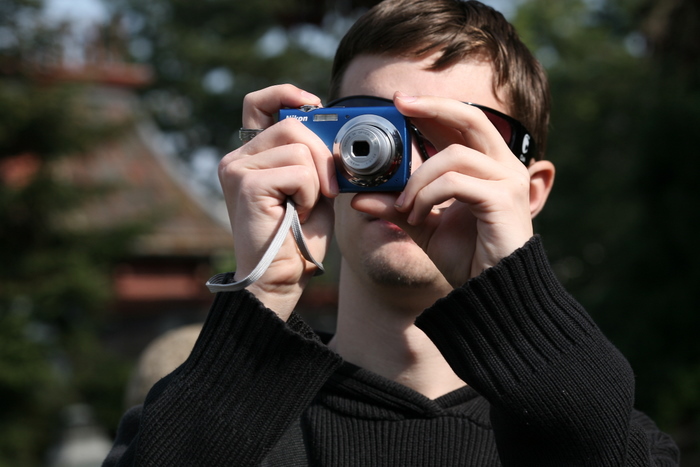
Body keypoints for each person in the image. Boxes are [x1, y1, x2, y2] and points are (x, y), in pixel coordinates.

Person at [103, 0, 680, 465]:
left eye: (453, 138)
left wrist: (517, 289)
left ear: (527, 193)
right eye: (371, 131)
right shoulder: (216, 417)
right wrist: (263, 290)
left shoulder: (606, 435)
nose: (410, 169)